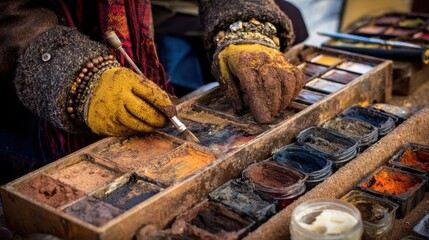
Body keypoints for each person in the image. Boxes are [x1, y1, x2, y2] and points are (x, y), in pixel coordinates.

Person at [0, 0, 305, 184]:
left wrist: (244, 26)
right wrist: (72, 76)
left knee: (293, 17)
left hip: (152, 20)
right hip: (31, 68)